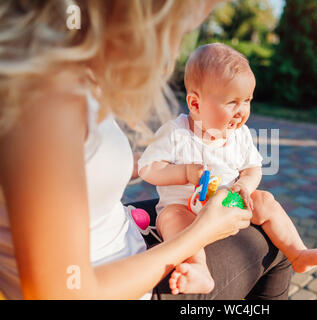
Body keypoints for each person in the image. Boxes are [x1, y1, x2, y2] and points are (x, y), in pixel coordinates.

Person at [0, 0, 292, 300]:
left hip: (126, 234)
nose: (173, 48)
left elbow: (82, 170)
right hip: (126, 286)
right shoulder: (43, 105)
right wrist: (200, 234)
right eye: (177, 28)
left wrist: (161, 166)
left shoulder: (65, 79)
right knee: (273, 249)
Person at [138, 43, 317, 296]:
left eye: (247, 101)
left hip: (230, 202)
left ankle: (297, 252)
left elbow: (253, 169)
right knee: (171, 220)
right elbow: (148, 169)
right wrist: (185, 173)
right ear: (195, 104)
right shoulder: (175, 133)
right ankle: (199, 269)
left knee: (265, 200)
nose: (242, 111)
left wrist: (244, 186)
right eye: (233, 102)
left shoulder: (239, 134)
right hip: (185, 207)